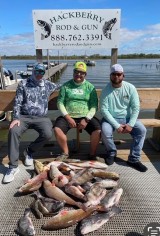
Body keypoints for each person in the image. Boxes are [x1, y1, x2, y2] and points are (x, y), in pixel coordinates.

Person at [3, 63, 60, 183]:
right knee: (13, 131)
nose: (39, 74)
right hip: (24, 116)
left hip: (41, 117)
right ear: (33, 71)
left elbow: (63, 87)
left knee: (48, 133)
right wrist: (15, 118)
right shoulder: (23, 83)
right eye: (37, 71)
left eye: (42, 72)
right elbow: (17, 102)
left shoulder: (48, 84)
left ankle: (29, 151)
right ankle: (13, 167)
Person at [100, 64, 147, 172]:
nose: (116, 76)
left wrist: (130, 124)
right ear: (110, 76)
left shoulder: (130, 88)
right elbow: (104, 110)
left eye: (119, 74)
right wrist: (116, 125)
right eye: (113, 74)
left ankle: (134, 159)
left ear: (123, 75)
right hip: (111, 118)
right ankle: (111, 152)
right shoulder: (105, 90)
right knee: (105, 130)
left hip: (128, 118)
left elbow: (136, 108)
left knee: (142, 130)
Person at [54, 61, 101, 160]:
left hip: (85, 116)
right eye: (76, 71)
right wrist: (67, 117)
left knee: (98, 130)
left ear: (85, 74)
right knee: (57, 129)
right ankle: (65, 153)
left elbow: (94, 106)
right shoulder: (65, 86)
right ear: (73, 72)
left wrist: (87, 119)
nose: (78, 74)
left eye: (81, 72)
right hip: (68, 116)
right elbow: (60, 102)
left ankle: (92, 154)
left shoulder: (90, 87)